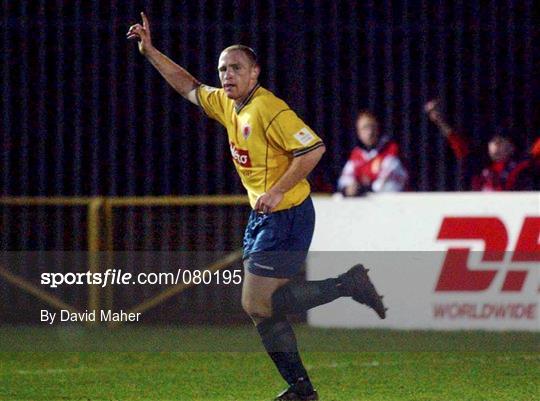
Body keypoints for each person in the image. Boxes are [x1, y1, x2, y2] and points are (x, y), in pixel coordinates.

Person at [128, 12, 386, 401]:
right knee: (265, 305)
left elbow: (314, 148)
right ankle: (305, 382)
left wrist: (279, 190)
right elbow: (190, 87)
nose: (227, 75)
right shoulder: (230, 104)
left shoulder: (268, 108)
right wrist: (150, 52)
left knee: (255, 303)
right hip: (266, 216)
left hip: (288, 216)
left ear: (255, 73)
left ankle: (341, 298)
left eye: (236, 68)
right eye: (222, 69)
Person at [424, 99, 523, 191]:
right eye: (493, 142)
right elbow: (456, 141)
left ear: (512, 148)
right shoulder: (480, 165)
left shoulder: (521, 168)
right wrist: (439, 121)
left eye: (501, 142)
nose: (495, 145)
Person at [337, 111, 408, 196]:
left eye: (371, 127)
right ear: (358, 133)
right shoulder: (356, 155)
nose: (369, 132)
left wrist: (362, 189)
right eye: (364, 128)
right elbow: (345, 180)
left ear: (377, 128)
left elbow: (387, 184)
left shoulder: (390, 150)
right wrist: (349, 188)